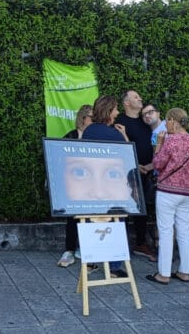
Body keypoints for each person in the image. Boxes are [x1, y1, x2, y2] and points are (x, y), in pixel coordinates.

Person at [145, 108, 189, 285]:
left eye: (168, 120)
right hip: (187, 192)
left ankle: (164, 273)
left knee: (166, 231)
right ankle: (185, 271)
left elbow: (158, 164)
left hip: (168, 191)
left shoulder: (171, 141)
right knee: (184, 230)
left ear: (174, 121)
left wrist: (159, 144)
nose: (166, 124)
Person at [81, 95, 128, 277]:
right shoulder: (114, 134)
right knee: (116, 222)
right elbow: (126, 156)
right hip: (111, 185)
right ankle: (115, 267)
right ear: (109, 111)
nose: (118, 112)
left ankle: (91, 261)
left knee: (92, 221)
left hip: (91, 184)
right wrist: (123, 135)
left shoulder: (88, 131)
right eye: (116, 109)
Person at [115, 90, 155, 261]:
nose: (140, 98)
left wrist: (150, 166)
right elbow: (117, 148)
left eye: (140, 96)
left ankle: (140, 243)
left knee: (144, 209)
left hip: (148, 171)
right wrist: (133, 164)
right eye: (135, 97)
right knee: (124, 208)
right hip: (127, 172)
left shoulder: (145, 121)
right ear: (126, 103)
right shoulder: (119, 122)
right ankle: (119, 247)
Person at [58, 105, 92, 267]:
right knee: (73, 217)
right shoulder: (71, 136)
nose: (94, 120)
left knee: (91, 216)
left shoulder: (95, 136)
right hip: (75, 184)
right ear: (83, 118)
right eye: (92, 117)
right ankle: (69, 249)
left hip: (92, 185)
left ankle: (84, 247)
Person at [140, 102, 163, 258]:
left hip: (164, 179)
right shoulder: (153, 132)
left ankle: (162, 249)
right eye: (144, 114)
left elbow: (162, 158)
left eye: (150, 112)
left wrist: (146, 167)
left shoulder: (165, 130)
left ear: (158, 113)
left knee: (162, 216)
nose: (147, 115)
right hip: (157, 178)